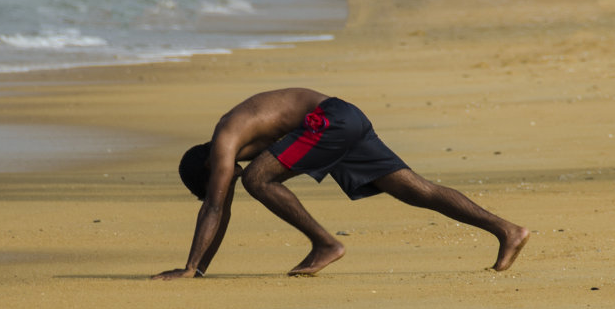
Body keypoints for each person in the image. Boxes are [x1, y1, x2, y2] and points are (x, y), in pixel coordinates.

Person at [152, 88, 529, 279]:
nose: (225, 179)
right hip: (344, 117)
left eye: (217, 177)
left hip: (328, 119)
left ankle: (325, 243)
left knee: (257, 177)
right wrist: (199, 269)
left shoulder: (224, 141)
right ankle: (507, 230)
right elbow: (223, 206)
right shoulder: (240, 140)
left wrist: (189, 269)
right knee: (413, 189)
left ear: (206, 164)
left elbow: (215, 206)